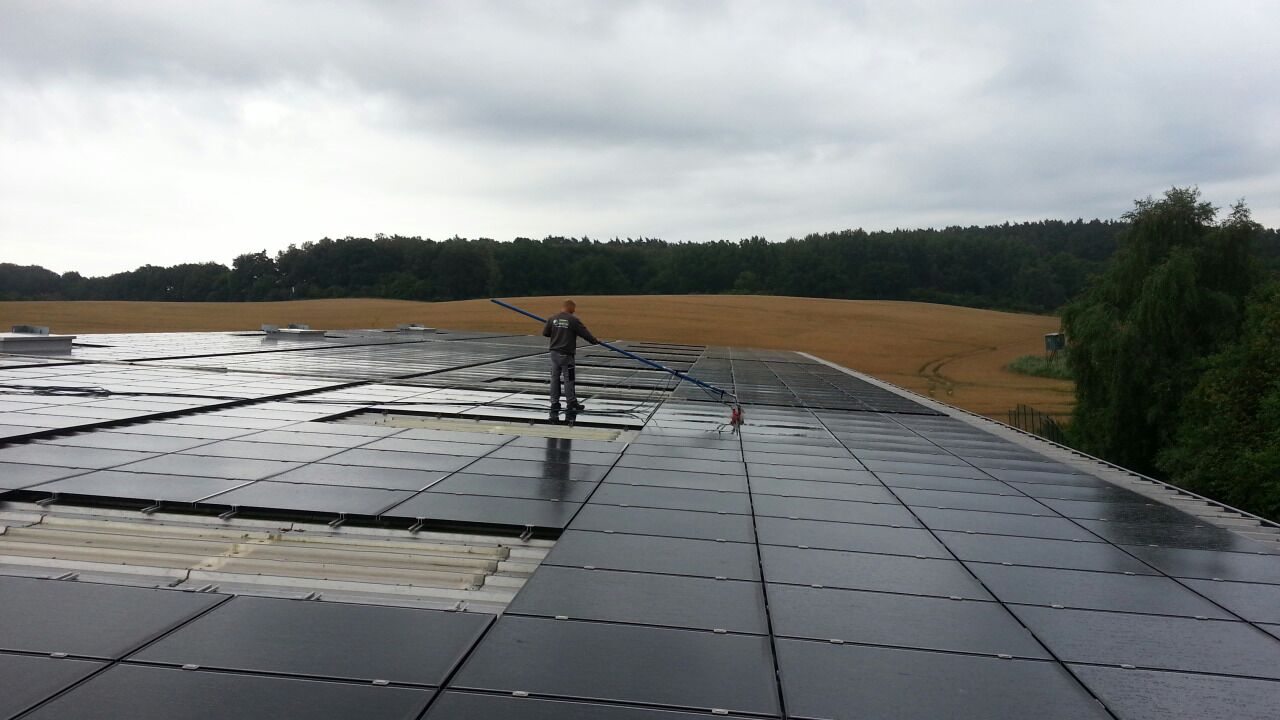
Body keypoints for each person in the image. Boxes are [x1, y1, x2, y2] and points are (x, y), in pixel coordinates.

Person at [543, 299, 600, 414]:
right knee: (569, 379)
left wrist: (557, 332)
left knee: (554, 378)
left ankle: (554, 402)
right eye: (574, 308)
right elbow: (584, 333)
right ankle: (571, 402)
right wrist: (595, 341)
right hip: (566, 354)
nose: (574, 311)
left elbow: (545, 333)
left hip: (554, 353)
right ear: (570, 307)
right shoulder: (573, 320)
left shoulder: (552, 318)